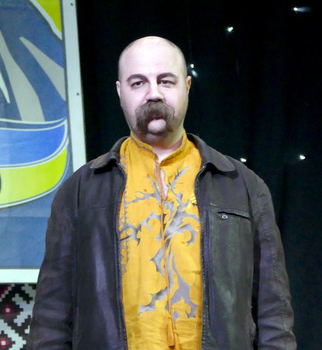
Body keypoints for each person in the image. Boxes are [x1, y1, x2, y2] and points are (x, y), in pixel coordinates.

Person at [29, 36, 296, 349]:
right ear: (120, 92)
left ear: (187, 87)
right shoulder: (79, 191)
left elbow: (274, 312)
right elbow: (51, 316)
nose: (153, 93)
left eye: (166, 81)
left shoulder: (243, 186)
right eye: (138, 82)